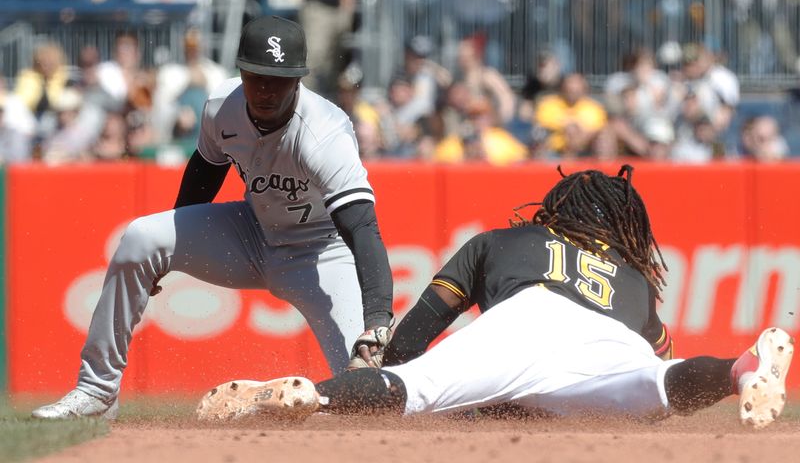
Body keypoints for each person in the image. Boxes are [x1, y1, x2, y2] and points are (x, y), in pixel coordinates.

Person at [196, 166, 794, 430]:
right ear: (620, 228)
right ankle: (741, 369)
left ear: (557, 207)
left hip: (524, 322)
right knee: (657, 388)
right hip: (613, 346)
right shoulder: (635, 281)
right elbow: (665, 356)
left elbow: (420, 326)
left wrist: (388, 379)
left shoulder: (502, 242)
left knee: (414, 390)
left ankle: (314, 396)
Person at [31, 15, 395, 419]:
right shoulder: (224, 105)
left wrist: (377, 319)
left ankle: (299, 412)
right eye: (257, 76)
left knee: (368, 392)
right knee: (141, 237)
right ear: (241, 70)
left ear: (298, 80)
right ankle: (96, 391)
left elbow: (362, 228)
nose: (266, 89)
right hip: (252, 234)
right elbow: (205, 172)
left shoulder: (325, 133)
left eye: (279, 79)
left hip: (320, 253)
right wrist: (169, 251)